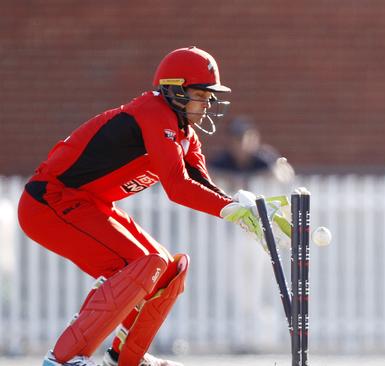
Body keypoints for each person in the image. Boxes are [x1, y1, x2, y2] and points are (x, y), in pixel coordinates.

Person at [17, 46, 290, 366]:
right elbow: (177, 187)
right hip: (49, 201)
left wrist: (241, 207)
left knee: (169, 270)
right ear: (175, 90)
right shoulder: (153, 112)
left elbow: (202, 184)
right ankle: (63, 359)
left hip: (88, 203)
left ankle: (126, 357)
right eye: (201, 94)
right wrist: (230, 211)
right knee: (140, 263)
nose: (207, 104)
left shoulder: (184, 133)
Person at [209, 115, 295, 185]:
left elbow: (284, 176)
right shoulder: (221, 160)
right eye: (237, 140)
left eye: (246, 139)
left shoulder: (264, 158)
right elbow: (209, 175)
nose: (241, 145)